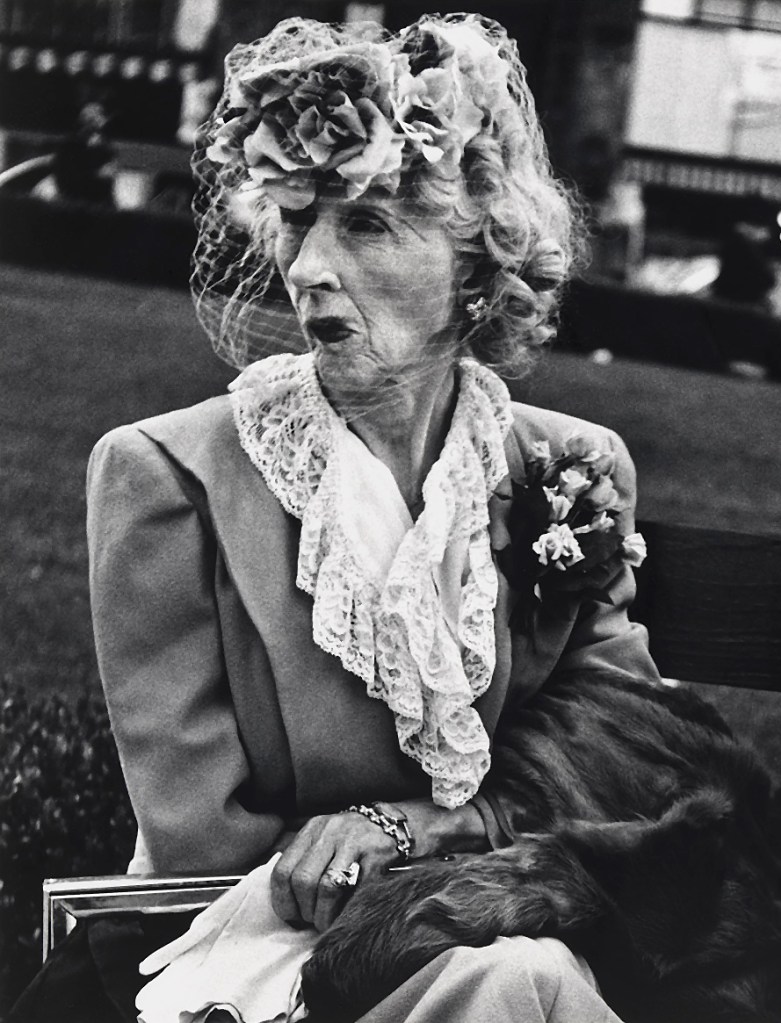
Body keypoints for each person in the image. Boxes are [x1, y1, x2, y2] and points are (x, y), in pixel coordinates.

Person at [25, 14, 661, 1023]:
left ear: (477, 258)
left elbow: (618, 763)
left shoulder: (572, 470)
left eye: (364, 224)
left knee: (525, 976)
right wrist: (467, 858)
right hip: (244, 955)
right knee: (520, 985)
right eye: (293, 220)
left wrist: (413, 828)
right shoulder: (165, 477)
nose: (309, 266)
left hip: (509, 921)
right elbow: (203, 842)